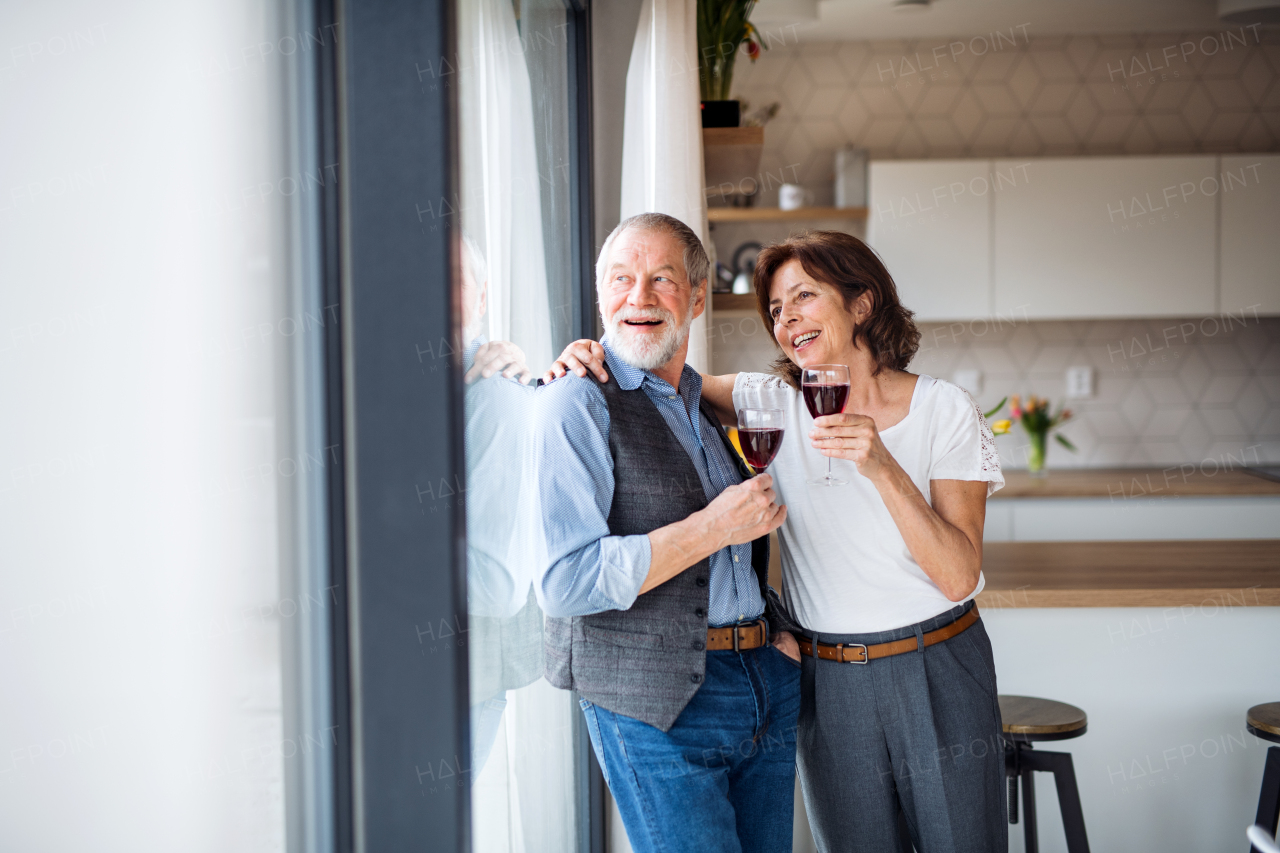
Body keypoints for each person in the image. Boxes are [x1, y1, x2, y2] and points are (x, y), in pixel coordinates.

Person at [549, 230, 1007, 853]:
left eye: (804, 297)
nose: (786, 318)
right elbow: (656, 373)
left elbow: (958, 575)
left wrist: (883, 467)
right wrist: (581, 355)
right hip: (831, 679)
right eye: (774, 309)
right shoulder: (774, 403)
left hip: (937, 665)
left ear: (862, 304)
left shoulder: (944, 410)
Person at [534, 213, 802, 853]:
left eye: (662, 279)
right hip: (654, 703)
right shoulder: (576, 401)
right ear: (601, 296)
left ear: (699, 297)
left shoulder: (708, 403)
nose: (640, 297)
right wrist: (712, 528)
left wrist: (778, 637)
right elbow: (565, 583)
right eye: (622, 279)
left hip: (762, 678)